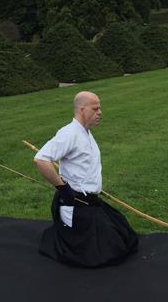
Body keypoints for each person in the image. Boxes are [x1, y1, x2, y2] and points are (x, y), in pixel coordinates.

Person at [33, 91, 138, 267]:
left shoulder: (85, 133)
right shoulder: (69, 133)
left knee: (125, 234)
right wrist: (63, 189)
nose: (100, 113)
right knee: (106, 253)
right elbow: (41, 159)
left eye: (100, 108)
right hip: (73, 201)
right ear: (82, 110)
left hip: (89, 200)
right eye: (95, 109)